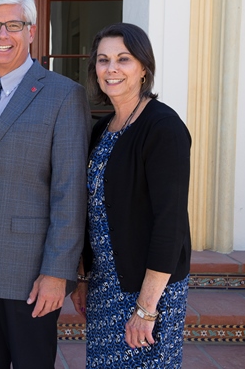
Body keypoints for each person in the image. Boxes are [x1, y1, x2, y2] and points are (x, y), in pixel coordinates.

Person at [0, 0, 91, 368]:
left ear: (32, 31)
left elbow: (69, 191)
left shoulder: (63, 95)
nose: (2, 35)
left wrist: (57, 272)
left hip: (27, 273)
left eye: (13, 24)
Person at [70, 22, 192, 368]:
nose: (111, 69)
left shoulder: (162, 127)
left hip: (149, 291)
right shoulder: (101, 128)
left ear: (143, 68)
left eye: (123, 59)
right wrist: (83, 277)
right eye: (103, 60)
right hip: (106, 284)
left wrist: (146, 307)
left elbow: (170, 223)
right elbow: (91, 211)